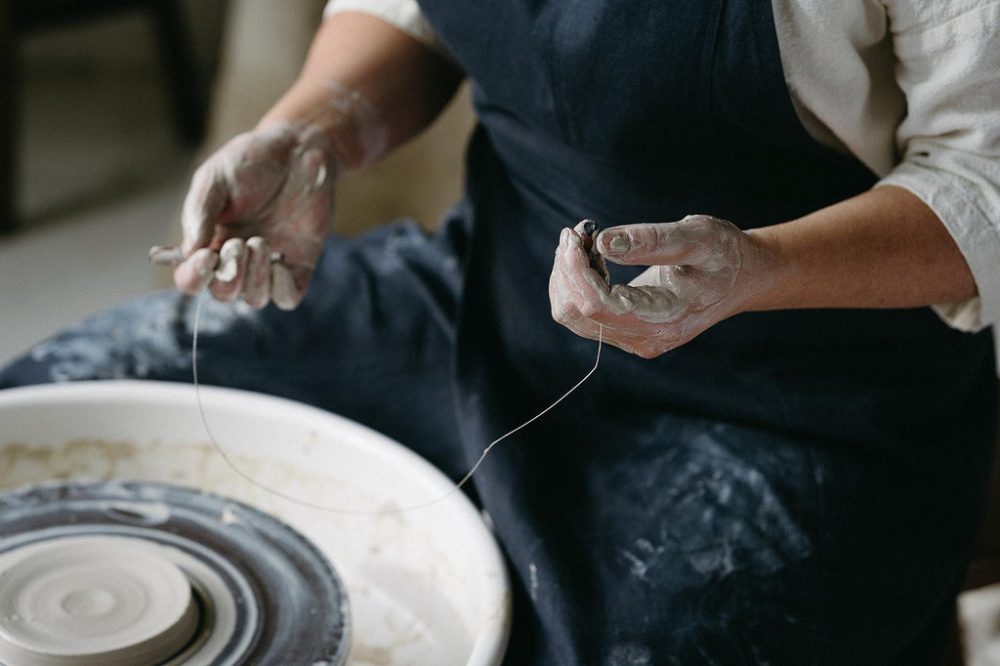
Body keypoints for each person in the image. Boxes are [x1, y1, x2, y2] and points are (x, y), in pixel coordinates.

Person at [4, 1, 999, 662]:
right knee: (57, 404)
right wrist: (314, 133)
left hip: (807, 383)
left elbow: (981, 182)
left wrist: (763, 269)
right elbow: (408, 12)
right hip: (490, 285)